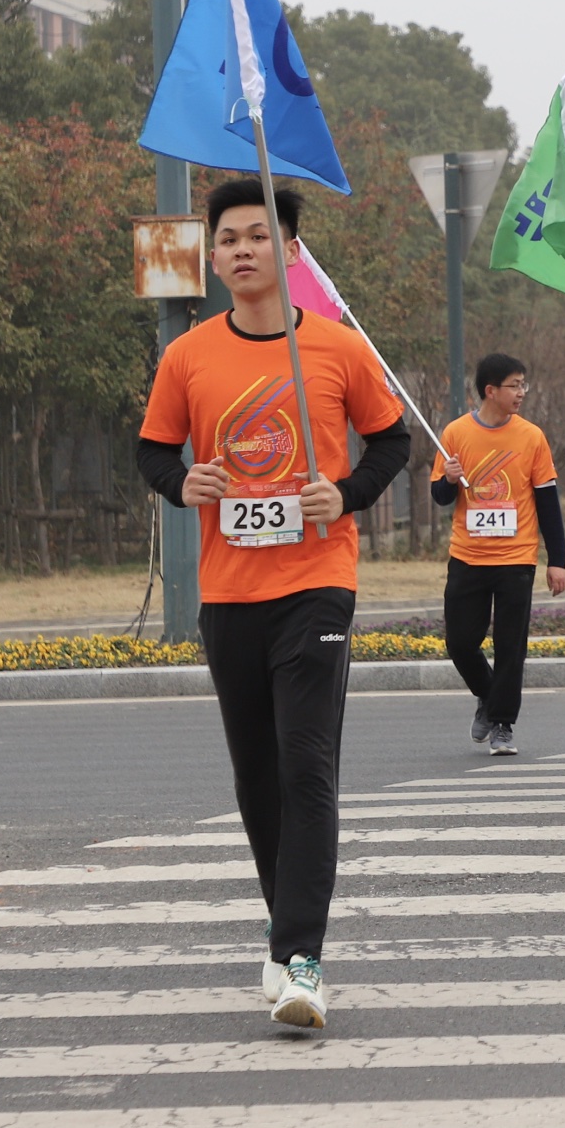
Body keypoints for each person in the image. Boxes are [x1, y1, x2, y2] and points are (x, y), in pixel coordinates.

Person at [137, 179, 412, 1028]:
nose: (244, 249)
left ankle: (302, 961)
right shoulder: (188, 356)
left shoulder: (336, 348)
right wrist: (184, 482)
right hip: (229, 592)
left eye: (260, 236)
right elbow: (152, 451)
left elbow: (392, 439)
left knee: (306, 766)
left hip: (317, 585)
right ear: (213, 257)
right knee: (257, 777)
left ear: (290, 251)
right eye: (230, 239)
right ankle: (284, 927)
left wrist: (346, 494)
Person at [433, 353, 565, 757]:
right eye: (514, 385)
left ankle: (503, 724)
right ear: (490, 391)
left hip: (516, 559)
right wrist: (448, 479)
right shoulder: (456, 433)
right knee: (460, 643)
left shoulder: (531, 437)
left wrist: (557, 560)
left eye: (524, 384)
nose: (522, 392)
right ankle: (488, 696)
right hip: (467, 556)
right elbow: (440, 497)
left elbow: (548, 503)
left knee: (511, 647)